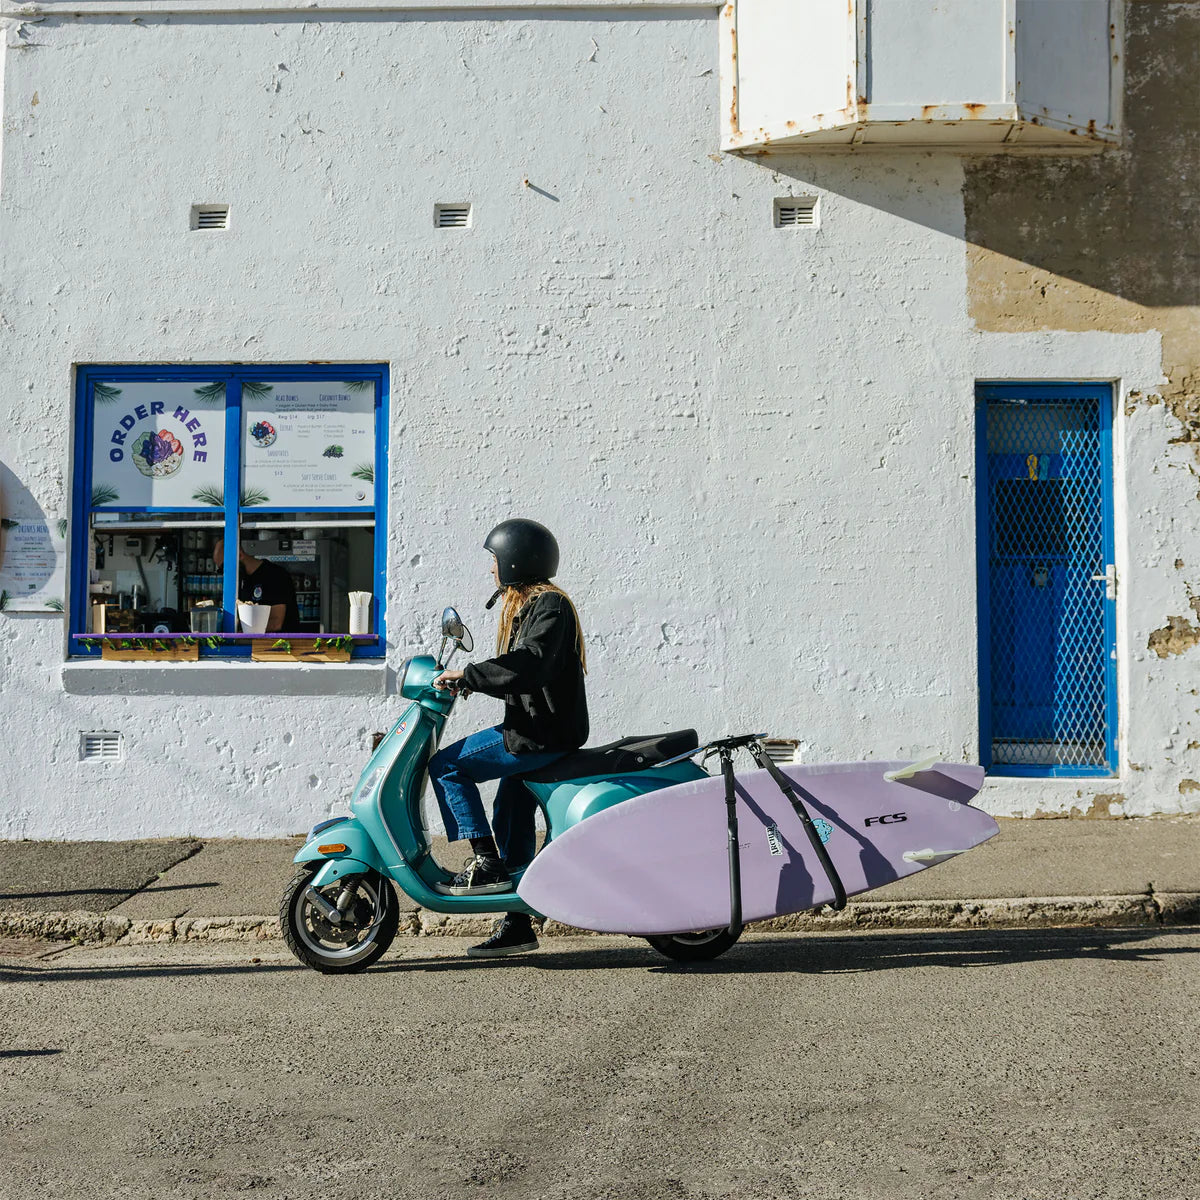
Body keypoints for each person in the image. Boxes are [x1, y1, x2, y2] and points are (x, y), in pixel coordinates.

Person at [430, 518, 588, 958]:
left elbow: (530, 663)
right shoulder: (533, 606)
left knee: (446, 766)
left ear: (517, 560)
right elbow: (522, 670)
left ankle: (484, 861)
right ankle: (518, 923)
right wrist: (470, 681)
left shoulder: (550, 606)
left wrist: (470, 674)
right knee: (510, 815)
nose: (491, 570)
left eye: (495, 561)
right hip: (539, 731)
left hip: (539, 735)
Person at [212, 538, 301, 633]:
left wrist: (241, 632)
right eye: (221, 570)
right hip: (253, 643)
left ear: (240, 555)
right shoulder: (243, 580)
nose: (225, 572)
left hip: (279, 644)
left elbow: (276, 623)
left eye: (224, 567)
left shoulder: (275, 575)